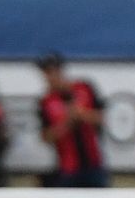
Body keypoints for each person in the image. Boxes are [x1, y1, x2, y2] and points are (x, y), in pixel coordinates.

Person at [37, 52, 108, 189]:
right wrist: (66, 123)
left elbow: (102, 118)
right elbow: (45, 137)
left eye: (53, 71)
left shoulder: (84, 88)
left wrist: (82, 115)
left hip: (94, 163)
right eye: (46, 73)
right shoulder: (45, 102)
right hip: (68, 168)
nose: (50, 77)